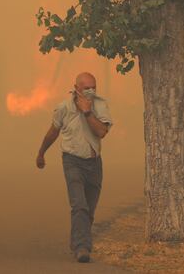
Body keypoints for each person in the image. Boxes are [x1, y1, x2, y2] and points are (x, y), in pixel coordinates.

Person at [35, 72, 113, 263]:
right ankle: (82, 248)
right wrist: (41, 153)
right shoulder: (64, 108)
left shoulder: (100, 105)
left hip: (94, 163)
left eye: (94, 87)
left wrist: (88, 112)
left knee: (89, 210)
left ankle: (79, 241)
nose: (91, 91)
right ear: (76, 88)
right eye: (86, 87)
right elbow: (52, 132)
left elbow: (102, 132)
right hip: (72, 161)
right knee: (79, 206)